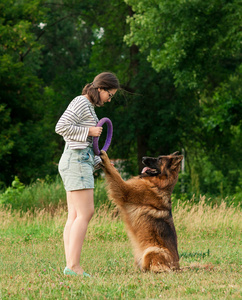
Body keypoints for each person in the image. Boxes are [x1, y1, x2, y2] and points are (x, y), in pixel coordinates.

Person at [55, 72, 120, 276]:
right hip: (75, 160)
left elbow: (84, 145)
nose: (109, 100)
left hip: (78, 159)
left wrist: (99, 159)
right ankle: (74, 266)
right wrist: (90, 132)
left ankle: (70, 265)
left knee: (74, 215)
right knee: (86, 212)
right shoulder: (81, 102)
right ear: (101, 88)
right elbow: (61, 127)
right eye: (110, 95)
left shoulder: (89, 107)